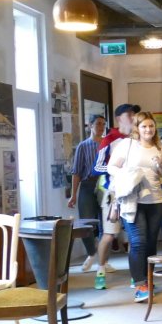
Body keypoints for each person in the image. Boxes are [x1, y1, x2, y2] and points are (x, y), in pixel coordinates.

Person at [107, 112, 162, 302]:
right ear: (137, 128)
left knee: (150, 242)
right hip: (132, 200)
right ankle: (140, 284)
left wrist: (159, 166)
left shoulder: (160, 147)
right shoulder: (127, 145)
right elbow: (111, 167)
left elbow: (161, 176)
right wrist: (128, 174)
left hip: (156, 200)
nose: (148, 130)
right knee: (138, 241)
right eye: (144, 126)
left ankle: (147, 280)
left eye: (151, 126)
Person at [92, 103, 140, 290]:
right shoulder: (109, 139)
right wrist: (118, 168)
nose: (134, 118)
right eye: (130, 115)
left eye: (135, 114)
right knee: (109, 234)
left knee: (134, 235)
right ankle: (100, 270)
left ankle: (136, 274)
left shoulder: (138, 138)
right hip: (113, 192)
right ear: (120, 118)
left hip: (134, 191)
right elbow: (97, 167)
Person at [67, 114, 105, 271]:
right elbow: (76, 172)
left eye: (103, 124)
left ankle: (103, 260)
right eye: (98, 124)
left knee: (106, 224)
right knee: (86, 222)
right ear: (90, 126)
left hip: (105, 186)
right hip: (88, 185)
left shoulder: (108, 144)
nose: (101, 127)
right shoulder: (83, 146)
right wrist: (73, 194)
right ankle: (91, 252)